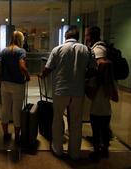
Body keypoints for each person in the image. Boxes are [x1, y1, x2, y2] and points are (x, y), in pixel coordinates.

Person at [39, 26, 97, 160]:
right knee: (76, 122)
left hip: (60, 91)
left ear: (66, 36)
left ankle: (57, 149)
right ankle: (74, 153)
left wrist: (41, 75)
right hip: (78, 91)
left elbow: (48, 69)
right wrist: (81, 75)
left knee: (58, 119)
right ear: (77, 37)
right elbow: (93, 70)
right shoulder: (86, 50)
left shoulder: (57, 49)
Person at [85, 26, 118, 162]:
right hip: (104, 89)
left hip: (100, 90)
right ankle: (103, 149)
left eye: (87, 35)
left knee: (97, 119)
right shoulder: (102, 47)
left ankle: (98, 150)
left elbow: (102, 64)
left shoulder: (98, 49)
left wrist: (95, 84)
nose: (85, 37)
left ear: (91, 36)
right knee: (104, 118)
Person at [0, 31, 30, 144]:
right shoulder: (21, 51)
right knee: (17, 111)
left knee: (5, 109)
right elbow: (22, 66)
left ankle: (6, 134)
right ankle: (17, 137)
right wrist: (27, 75)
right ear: (20, 39)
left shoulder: (4, 51)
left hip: (5, 83)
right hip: (17, 84)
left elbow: (0, 66)